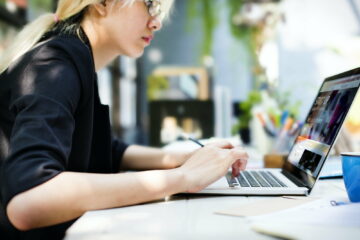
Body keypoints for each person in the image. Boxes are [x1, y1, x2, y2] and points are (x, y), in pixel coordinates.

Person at [0, 0, 248, 239]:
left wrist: (184, 160)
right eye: (149, 3)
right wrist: (182, 178)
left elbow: (103, 149)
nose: (156, 23)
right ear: (102, 3)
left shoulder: (74, 59)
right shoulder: (55, 66)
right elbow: (29, 197)